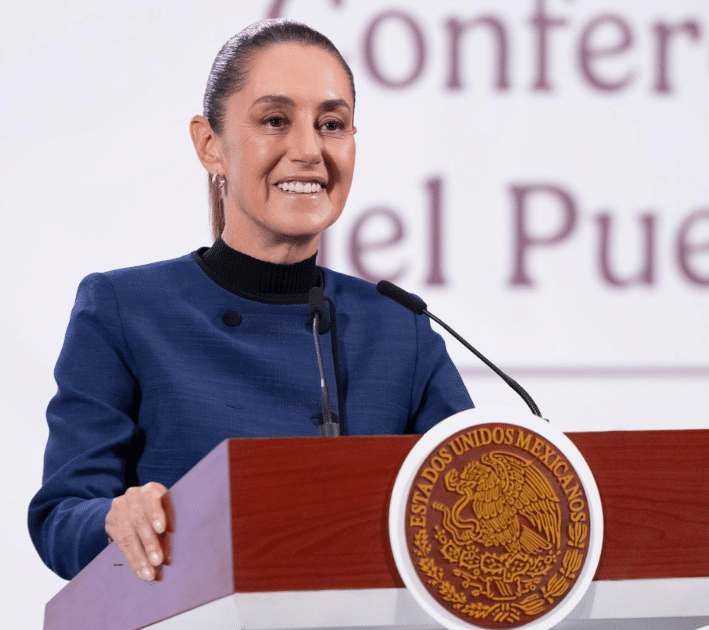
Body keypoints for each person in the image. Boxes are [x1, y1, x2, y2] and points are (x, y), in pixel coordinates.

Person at [27, 19, 473, 582]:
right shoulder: (125, 309)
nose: (308, 150)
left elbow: (476, 492)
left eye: (331, 124)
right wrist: (116, 518)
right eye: (275, 120)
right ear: (209, 145)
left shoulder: (398, 328)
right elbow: (62, 516)